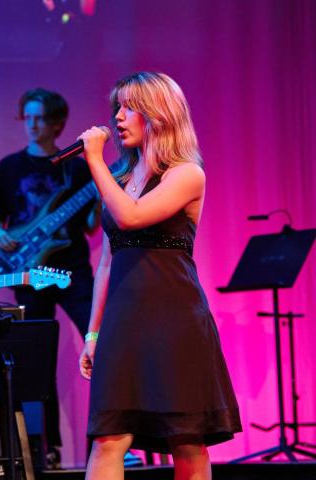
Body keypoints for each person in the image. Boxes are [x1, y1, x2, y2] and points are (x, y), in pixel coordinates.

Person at [77, 72, 241, 480]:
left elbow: (131, 218)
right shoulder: (119, 180)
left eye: (129, 107)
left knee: (185, 438)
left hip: (176, 321)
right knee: (108, 436)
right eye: (117, 106)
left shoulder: (187, 174)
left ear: (159, 115)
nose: (117, 117)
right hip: (124, 321)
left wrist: (94, 160)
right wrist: (94, 334)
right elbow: (107, 263)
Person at [0, 87, 99, 464]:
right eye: (28, 117)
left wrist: (99, 201)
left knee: (101, 342)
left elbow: (89, 226)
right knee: (36, 355)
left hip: (72, 269)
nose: (32, 125)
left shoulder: (78, 168)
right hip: (30, 272)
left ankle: (111, 439)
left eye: (40, 118)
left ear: (58, 124)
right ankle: (43, 447)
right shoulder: (8, 168)